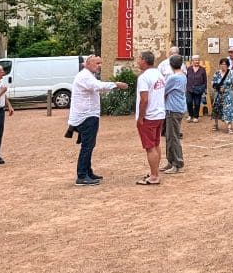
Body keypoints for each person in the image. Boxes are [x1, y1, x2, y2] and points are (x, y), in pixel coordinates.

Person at [68, 55, 129, 186]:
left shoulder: (88, 75)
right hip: (86, 116)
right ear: (88, 64)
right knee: (87, 146)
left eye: (100, 63)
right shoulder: (85, 76)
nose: (100, 65)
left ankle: (88, 172)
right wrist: (116, 84)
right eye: (97, 63)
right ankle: (82, 176)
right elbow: (97, 86)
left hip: (88, 115)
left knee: (89, 145)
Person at [136, 50, 167, 185]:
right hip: (159, 113)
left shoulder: (143, 77)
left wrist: (141, 117)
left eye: (139, 59)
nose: (137, 61)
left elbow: (144, 99)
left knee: (150, 147)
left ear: (144, 60)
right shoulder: (159, 74)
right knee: (156, 144)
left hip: (149, 115)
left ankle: (154, 176)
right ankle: (155, 172)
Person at [161, 55, 187, 174]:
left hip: (173, 109)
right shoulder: (183, 76)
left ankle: (177, 163)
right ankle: (170, 161)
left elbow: (163, 91)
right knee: (169, 136)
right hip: (177, 108)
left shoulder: (173, 78)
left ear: (171, 65)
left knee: (173, 137)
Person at [212, 57, 233, 134]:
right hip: (219, 94)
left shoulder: (231, 73)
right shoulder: (217, 73)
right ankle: (216, 124)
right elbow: (213, 84)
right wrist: (218, 88)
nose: (223, 66)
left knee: (229, 109)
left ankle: (229, 127)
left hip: (228, 94)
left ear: (227, 65)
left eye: (225, 64)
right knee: (217, 109)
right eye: (222, 64)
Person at [186, 55, 207, 122]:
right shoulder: (189, 69)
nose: (197, 61)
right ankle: (190, 115)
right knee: (189, 102)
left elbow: (205, 80)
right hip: (189, 88)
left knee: (197, 103)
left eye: (198, 60)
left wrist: (205, 88)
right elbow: (185, 78)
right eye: (195, 60)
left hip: (198, 89)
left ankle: (196, 117)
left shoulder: (202, 69)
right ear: (192, 61)